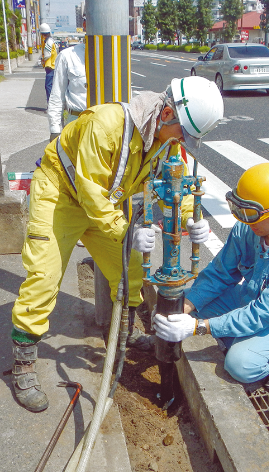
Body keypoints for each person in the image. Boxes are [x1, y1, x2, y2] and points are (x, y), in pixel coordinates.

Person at [10, 76, 224, 412]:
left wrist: (191, 220)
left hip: (103, 204)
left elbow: (174, 180)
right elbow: (91, 194)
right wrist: (127, 233)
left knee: (130, 273)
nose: (183, 140)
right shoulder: (105, 125)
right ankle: (23, 363)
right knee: (44, 279)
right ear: (167, 113)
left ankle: (122, 338)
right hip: (60, 196)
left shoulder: (165, 137)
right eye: (183, 132)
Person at [154, 163, 269, 393]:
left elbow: (264, 312)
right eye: (238, 210)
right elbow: (219, 274)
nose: (244, 220)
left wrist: (199, 327)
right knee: (177, 308)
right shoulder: (248, 228)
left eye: (251, 214)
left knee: (240, 364)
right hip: (250, 295)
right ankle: (245, 340)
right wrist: (183, 308)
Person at [39, 23, 58, 103]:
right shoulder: (51, 40)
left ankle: (50, 104)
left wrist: (42, 60)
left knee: (48, 86)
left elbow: (47, 54)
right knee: (52, 86)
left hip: (50, 66)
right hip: (53, 65)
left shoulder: (48, 42)